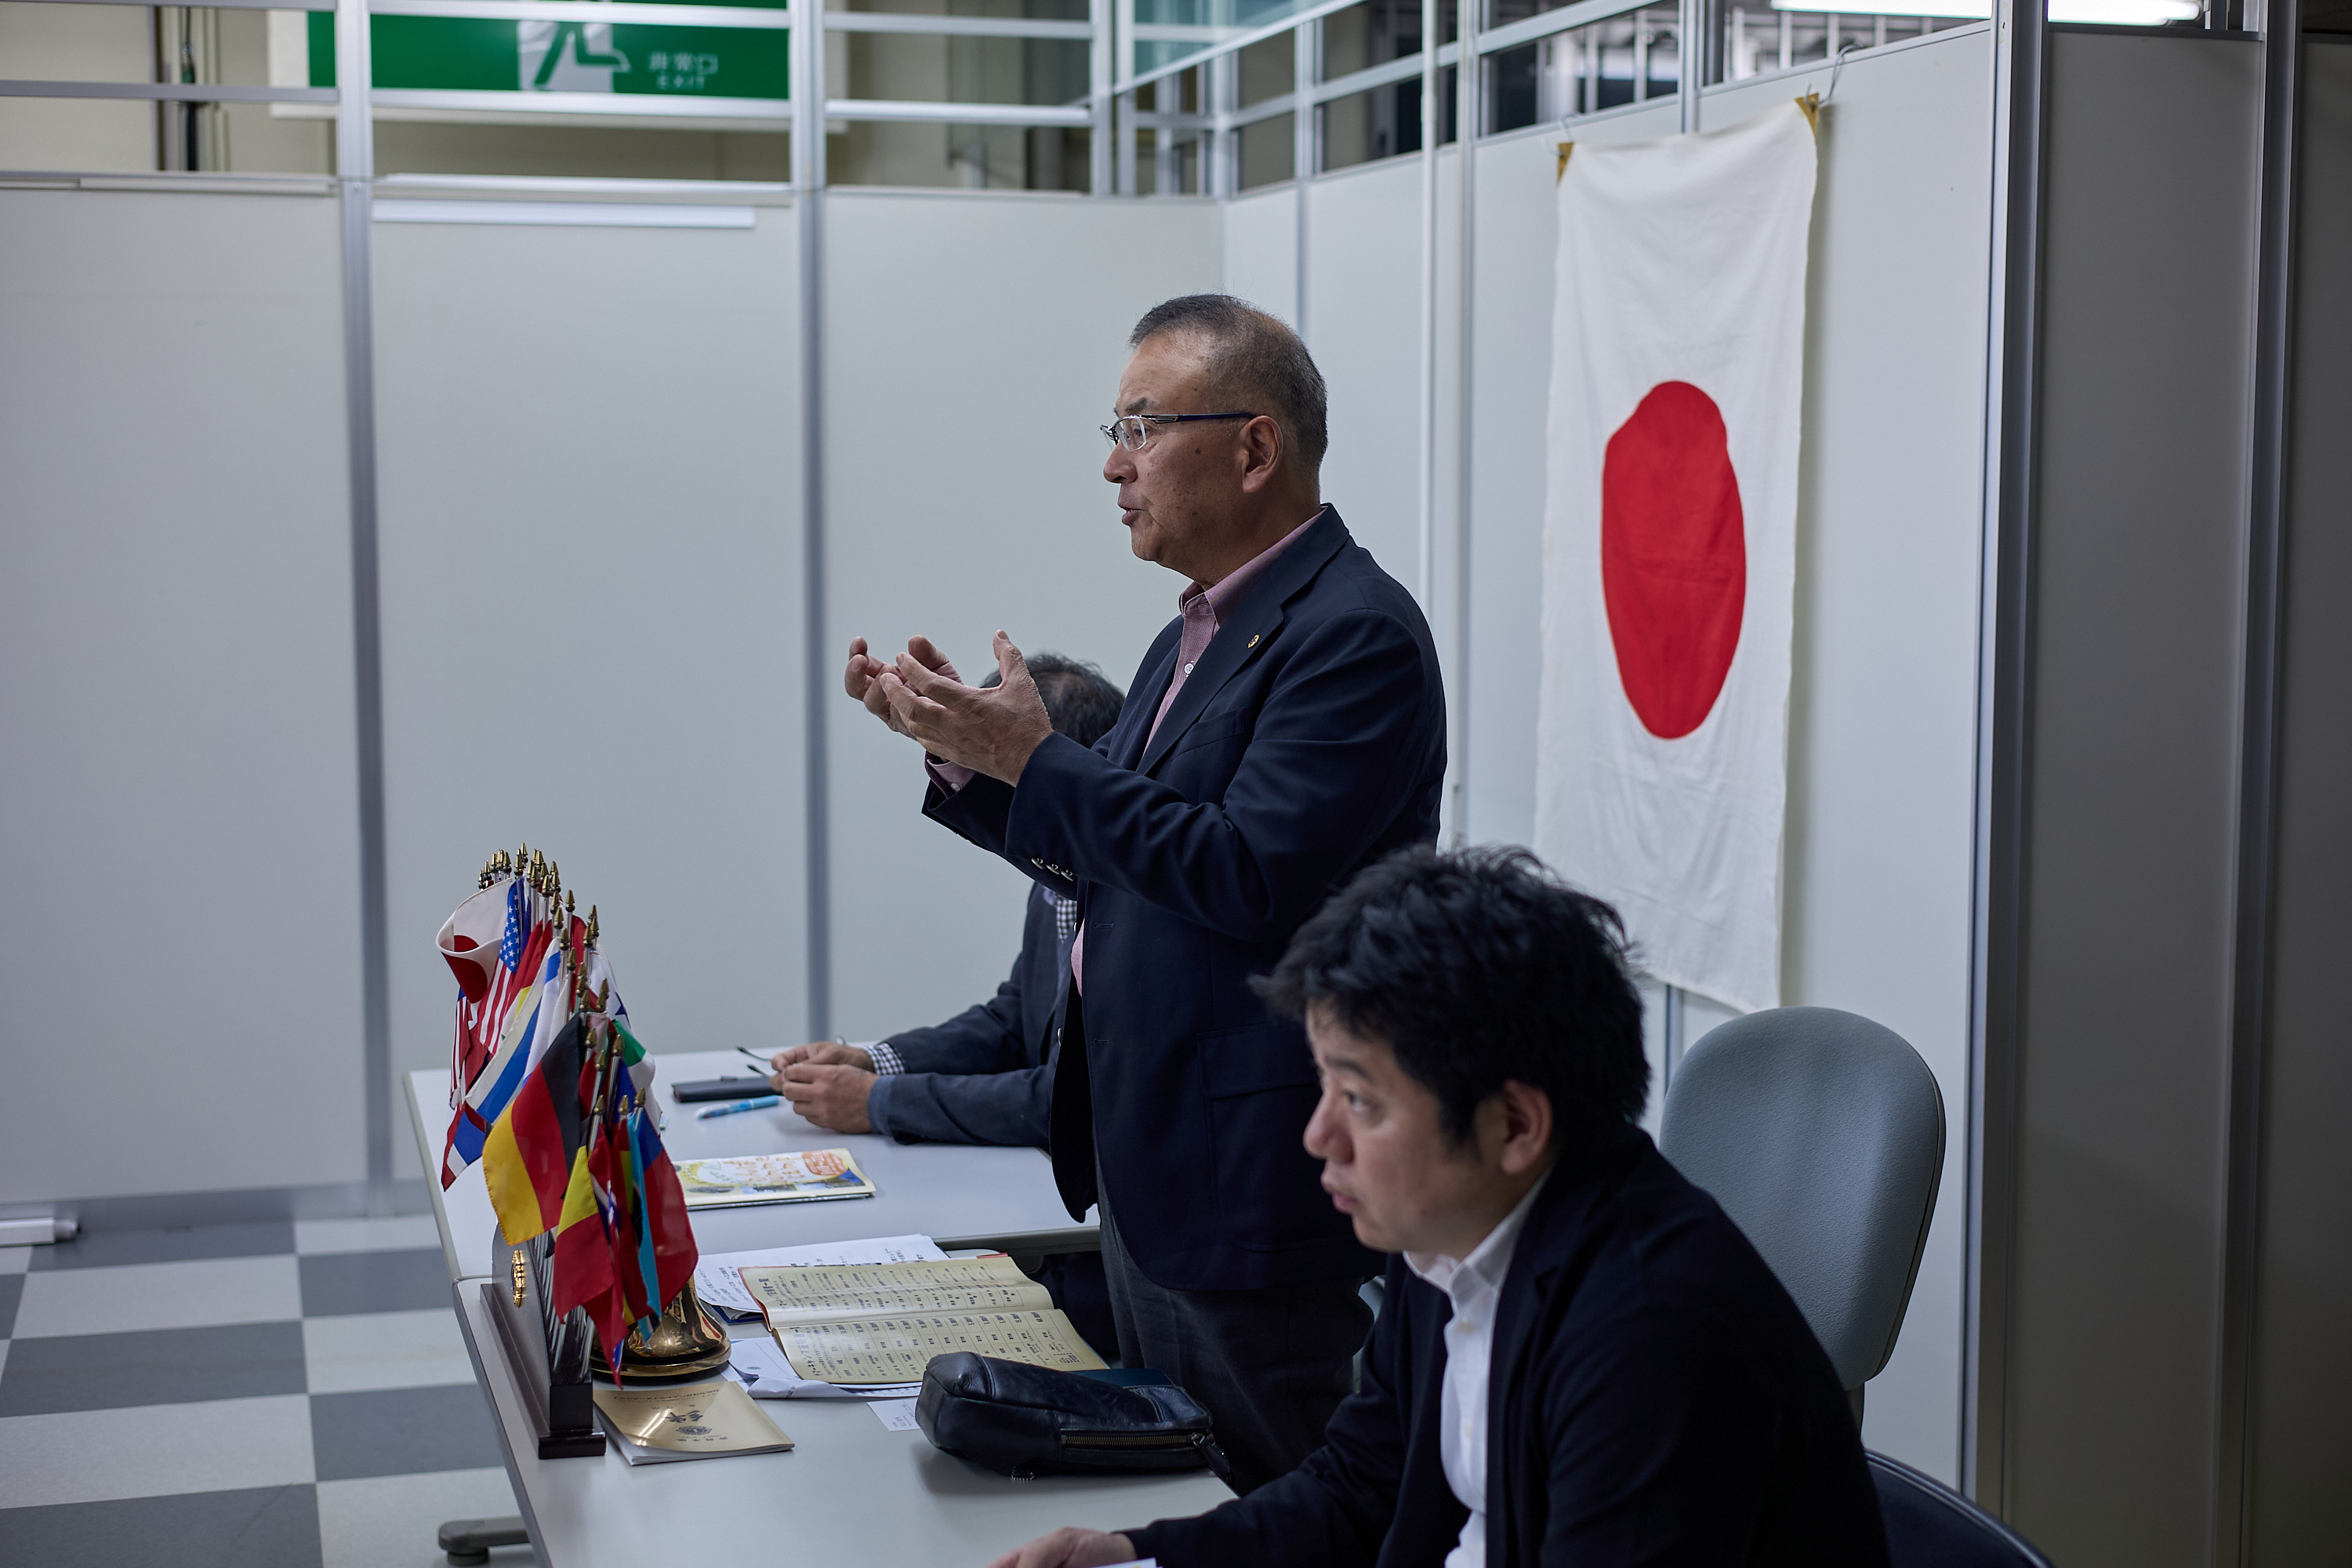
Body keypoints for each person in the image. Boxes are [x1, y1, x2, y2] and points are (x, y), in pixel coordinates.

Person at [844, 295, 1447, 1492]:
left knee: (1276, 1501)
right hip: (1152, 1166)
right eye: (1111, 429)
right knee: (1182, 1494)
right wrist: (976, 759)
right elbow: (1114, 855)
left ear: (1254, 447)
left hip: (1253, 1178)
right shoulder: (1193, 635)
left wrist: (1038, 758)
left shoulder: (1354, 634)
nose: (1114, 466)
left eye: (1142, 427)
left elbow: (1248, 875)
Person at [987, 847, 1893, 1568]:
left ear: (1514, 1123)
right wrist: (1141, 1551)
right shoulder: (1452, 1232)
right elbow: (1358, 1488)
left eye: (1362, 1101)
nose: (1318, 1136)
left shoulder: (1650, 1334)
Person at [767, 654, 1126, 1148]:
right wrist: (875, 1061)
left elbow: (1070, 1099)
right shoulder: (1052, 885)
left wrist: (876, 1100)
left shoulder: (1134, 905)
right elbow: (1013, 1020)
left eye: (990, 764)